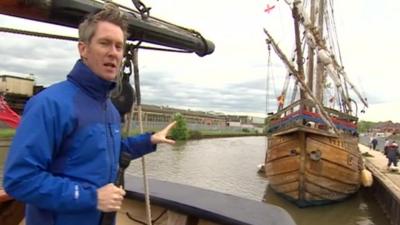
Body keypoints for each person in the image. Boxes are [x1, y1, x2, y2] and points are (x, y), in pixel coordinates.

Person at [3, 4, 176, 225]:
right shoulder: (49, 104)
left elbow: (107, 152)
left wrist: (149, 140)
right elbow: (20, 180)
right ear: (83, 49)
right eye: (104, 43)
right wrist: (91, 197)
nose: (113, 52)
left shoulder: (110, 110)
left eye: (119, 46)